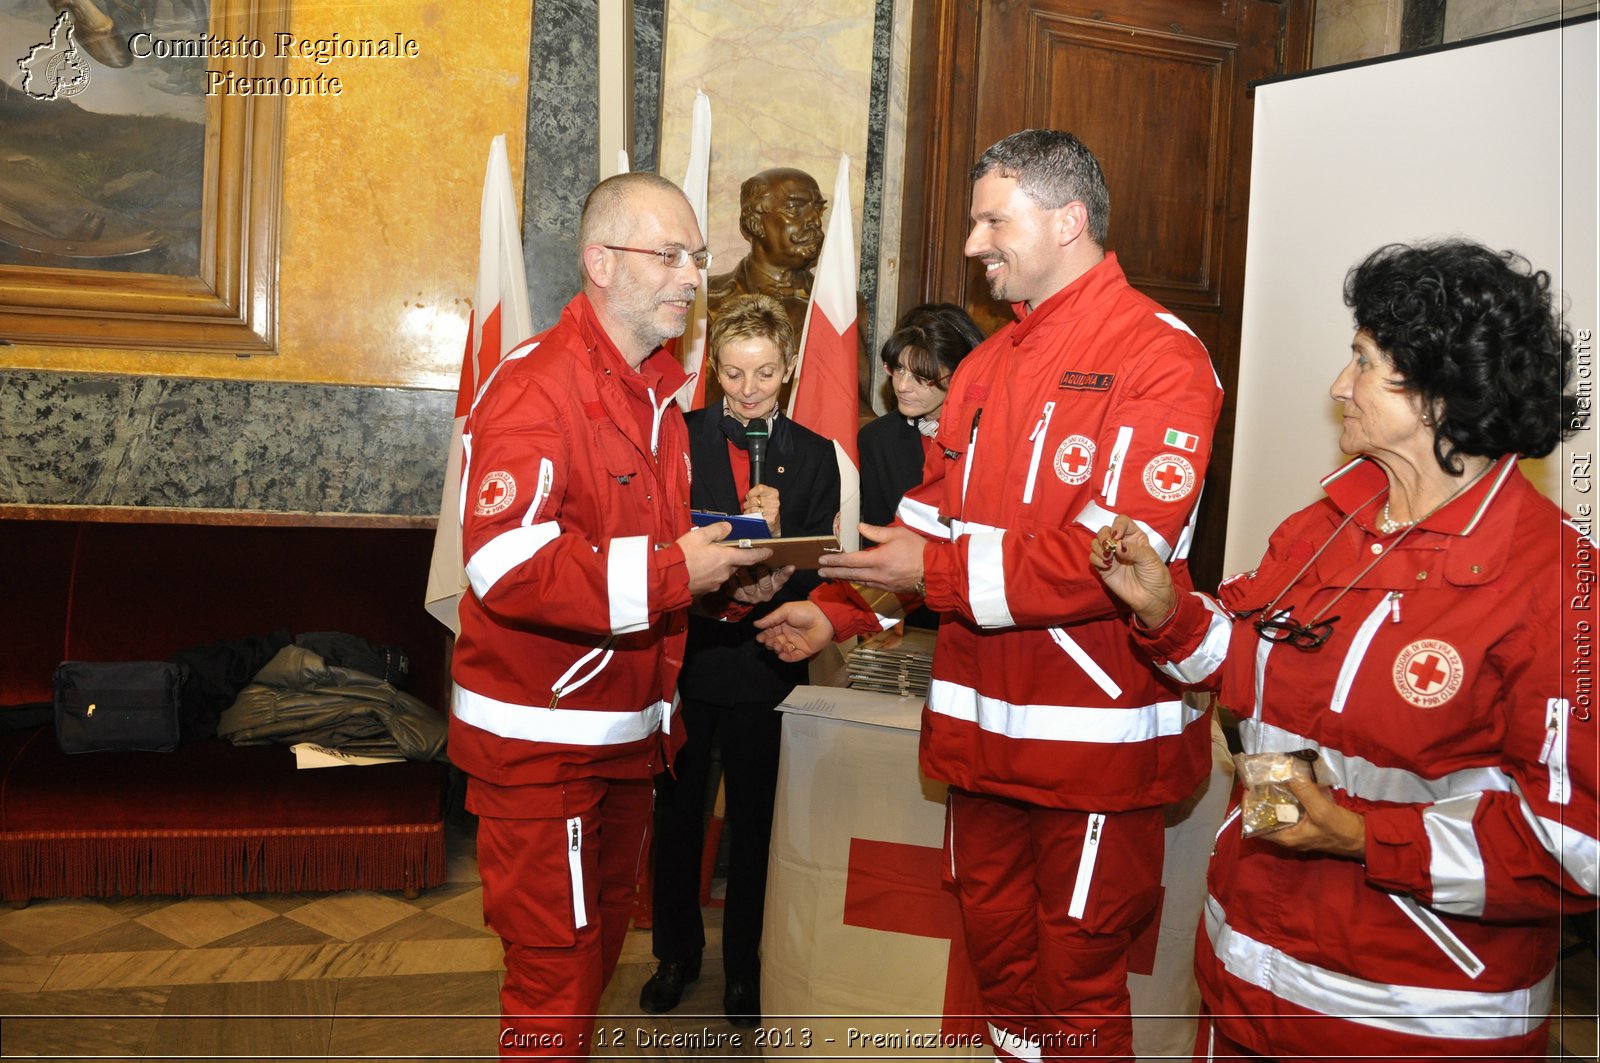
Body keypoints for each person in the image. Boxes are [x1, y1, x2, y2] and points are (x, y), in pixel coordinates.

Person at [755, 129, 1224, 1060]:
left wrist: (923, 576)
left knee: (1078, 989)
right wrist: (840, 607)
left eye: (991, 219)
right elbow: (927, 529)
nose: (973, 243)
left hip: (1092, 746)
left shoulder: (1160, 356)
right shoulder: (985, 365)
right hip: (982, 742)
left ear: (1069, 219)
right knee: (1004, 979)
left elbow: (1114, 554)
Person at [1090, 239, 1597, 1062]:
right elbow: (1245, 660)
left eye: (1361, 363)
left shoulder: (1562, 587)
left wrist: (1364, 837)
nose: (1338, 387)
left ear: (1436, 392)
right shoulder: (1326, 527)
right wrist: (1168, 612)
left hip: (1408, 1027)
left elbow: (1580, 847)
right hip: (1242, 988)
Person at [448, 171, 777, 1059]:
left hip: (628, 736)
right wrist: (680, 568)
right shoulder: (537, 383)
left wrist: (726, 564)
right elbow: (506, 563)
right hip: (541, 742)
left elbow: (628, 538)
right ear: (599, 262)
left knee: (588, 967)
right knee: (554, 978)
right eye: (667, 254)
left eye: (696, 257)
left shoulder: (655, 393)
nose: (690, 277)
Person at [639, 293, 840, 1027]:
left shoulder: (815, 454)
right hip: (688, 653)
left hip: (767, 654)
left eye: (762, 374)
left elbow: (820, 568)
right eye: (731, 373)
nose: (747, 389)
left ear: (786, 368)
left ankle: (744, 969)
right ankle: (675, 954)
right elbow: (659, 544)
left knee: (756, 823)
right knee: (680, 813)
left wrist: (782, 538)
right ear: (714, 368)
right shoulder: (678, 435)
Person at [707, 166, 871, 411]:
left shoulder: (842, 306)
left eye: (817, 209)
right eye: (795, 208)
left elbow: (853, 411)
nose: (815, 221)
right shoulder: (708, 300)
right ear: (755, 223)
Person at [858, 302, 985, 527]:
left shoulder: (993, 433)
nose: (903, 386)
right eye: (899, 369)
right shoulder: (877, 440)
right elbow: (877, 535)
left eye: (922, 376)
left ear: (960, 374)